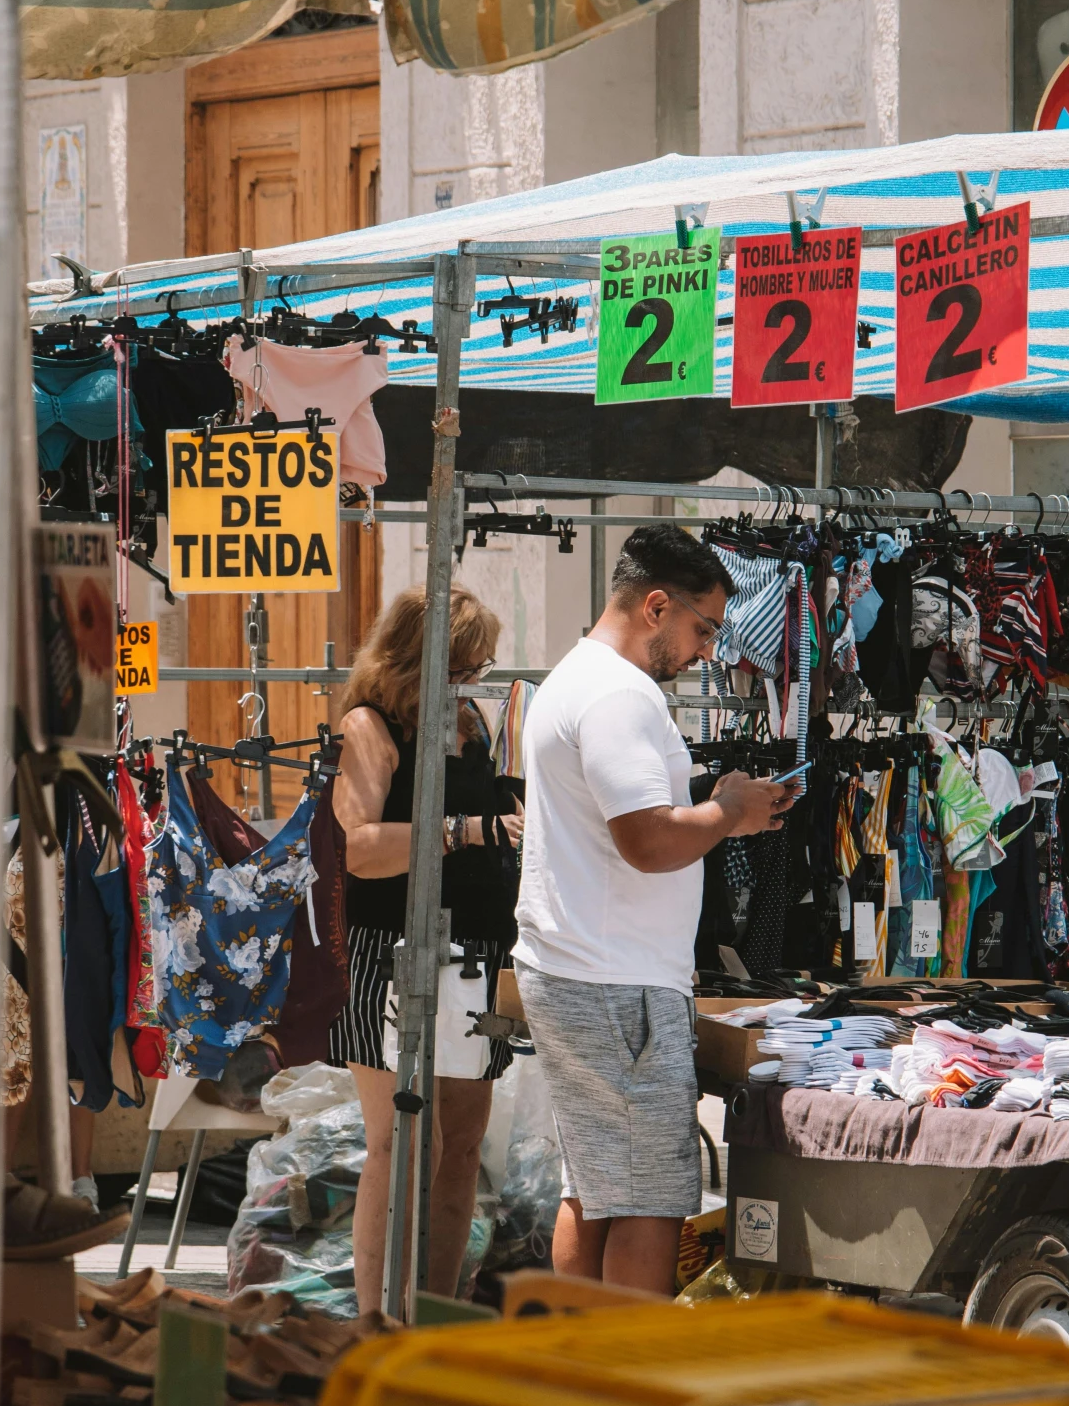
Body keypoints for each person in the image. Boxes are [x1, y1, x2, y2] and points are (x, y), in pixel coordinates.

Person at [513, 523, 797, 1296]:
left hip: (585, 968)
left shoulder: (575, 677)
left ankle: (581, 1372)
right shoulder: (617, 696)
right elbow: (644, 840)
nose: (707, 651)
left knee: (600, 1188)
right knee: (648, 1198)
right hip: (615, 983)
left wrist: (713, 810)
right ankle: (619, 1384)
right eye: (702, 629)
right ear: (656, 605)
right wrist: (728, 812)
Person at [332, 585, 521, 1311]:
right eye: (466, 663)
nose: (476, 678)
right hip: (390, 947)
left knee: (461, 1145)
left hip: (475, 946)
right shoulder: (369, 727)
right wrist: (464, 831)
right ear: (420, 659)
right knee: (406, 1143)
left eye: (482, 664)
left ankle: (434, 1310)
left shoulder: (469, 723)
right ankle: (378, 1317)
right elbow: (356, 847)